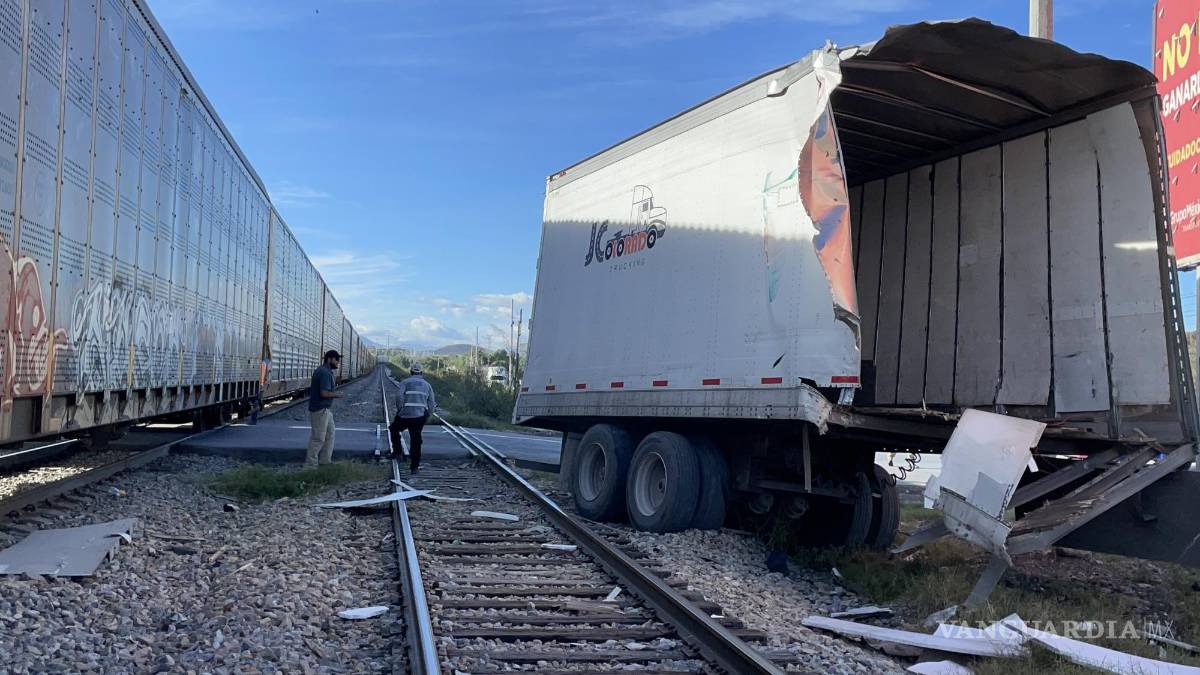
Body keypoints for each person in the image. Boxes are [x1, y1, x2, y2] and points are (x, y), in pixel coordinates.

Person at [390, 363, 437, 474]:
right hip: (419, 417)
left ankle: (397, 452)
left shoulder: (405, 382)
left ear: (410, 372)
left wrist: (400, 409)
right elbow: (431, 402)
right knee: (416, 440)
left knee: (394, 429)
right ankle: (414, 467)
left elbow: (399, 396)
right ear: (421, 373)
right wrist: (428, 414)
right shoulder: (427, 385)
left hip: (404, 415)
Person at [306, 350, 342, 468]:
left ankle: (325, 461)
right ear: (330, 359)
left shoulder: (324, 371)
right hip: (319, 409)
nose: (338, 363)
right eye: (337, 360)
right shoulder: (325, 373)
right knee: (318, 438)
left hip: (325, 409)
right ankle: (310, 466)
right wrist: (337, 394)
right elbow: (324, 393)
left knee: (330, 434)